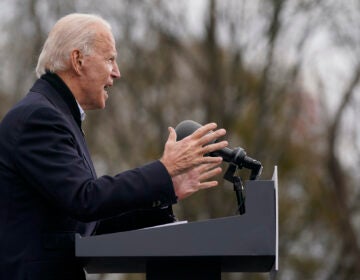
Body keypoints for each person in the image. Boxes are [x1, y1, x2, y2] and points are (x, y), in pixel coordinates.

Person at [0, 13, 228, 280]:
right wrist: (163, 170)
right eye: (110, 59)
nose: (117, 72)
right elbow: (86, 200)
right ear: (78, 60)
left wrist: (167, 190)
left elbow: (88, 223)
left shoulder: (56, 114)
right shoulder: (39, 118)